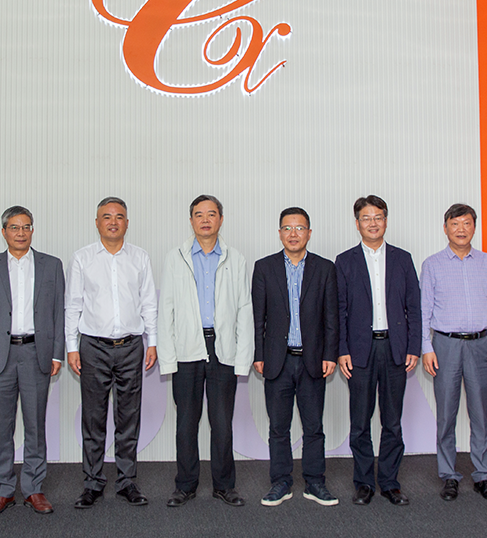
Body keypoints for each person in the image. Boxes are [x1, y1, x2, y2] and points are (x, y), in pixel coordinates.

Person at [158, 195, 253, 508]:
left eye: (211, 214)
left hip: (222, 347)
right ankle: (185, 485)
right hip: (187, 347)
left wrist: (243, 358)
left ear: (221, 219)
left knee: (222, 422)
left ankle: (224, 486)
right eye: (199, 214)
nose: (205, 220)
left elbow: (244, 309)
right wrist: (168, 358)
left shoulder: (235, 258)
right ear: (191, 221)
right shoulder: (176, 258)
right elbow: (166, 309)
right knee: (186, 422)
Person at [0, 206, 65, 515]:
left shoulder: (51, 265)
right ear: (4, 232)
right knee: (2, 425)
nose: (21, 232)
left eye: (26, 227)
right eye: (14, 227)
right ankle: (3, 489)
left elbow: (59, 313)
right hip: (0, 355)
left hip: (36, 352)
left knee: (35, 425)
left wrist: (57, 352)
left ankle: (34, 488)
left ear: (32, 230)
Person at [66, 197, 158, 509]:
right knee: (93, 418)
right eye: (107, 217)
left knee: (128, 417)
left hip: (131, 346)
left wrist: (153, 341)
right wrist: (71, 347)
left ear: (127, 223)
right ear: (97, 223)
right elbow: (73, 305)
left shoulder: (140, 257)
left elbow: (149, 302)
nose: (113, 222)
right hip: (93, 347)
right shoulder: (82, 258)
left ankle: (127, 481)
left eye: (119, 217)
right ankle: (92, 483)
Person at [336, 195, 421, 506]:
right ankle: (363, 483)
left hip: (395, 349)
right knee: (360, 422)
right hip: (360, 351)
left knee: (392, 421)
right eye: (366, 218)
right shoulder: (344, 261)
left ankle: (389, 482)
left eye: (378, 217)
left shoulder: (402, 258)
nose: (372, 223)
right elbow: (339, 310)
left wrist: (414, 346)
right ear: (357, 223)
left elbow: (414, 306)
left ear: (386, 221)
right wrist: (342, 349)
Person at [252, 207, 339, 507]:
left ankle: (315, 482)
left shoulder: (325, 268)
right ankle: (281, 482)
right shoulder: (264, 267)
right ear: (279, 233)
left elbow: (331, 318)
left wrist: (331, 354)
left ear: (309, 233)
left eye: (299, 228)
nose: (293, 234)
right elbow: (258, 317)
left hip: (313, 360)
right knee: (279, 427)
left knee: (314, 427)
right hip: (278, 360)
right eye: (287, 228)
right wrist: (259, 354)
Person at [420, 204, 487, 503]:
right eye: (455, 224)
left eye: (467, 223)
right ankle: (449, 475)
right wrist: (426, 348)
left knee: (480, 413)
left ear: (474, 227)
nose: (461, 229)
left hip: (481, 344)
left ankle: (482, 475)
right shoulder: (432, 264)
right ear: (445, 228)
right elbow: (423, 311)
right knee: (446, 414)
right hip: (445, 345)